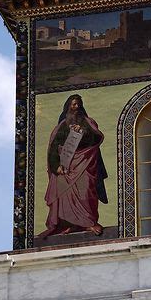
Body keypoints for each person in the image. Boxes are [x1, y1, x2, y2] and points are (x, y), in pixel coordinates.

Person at [39, 94, 108, 237]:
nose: (75, 107)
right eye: (73, 104)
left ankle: (88, 223)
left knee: (86, 191)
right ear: (68, 107)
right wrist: (56, 166)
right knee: (63, 192)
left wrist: (83, 132)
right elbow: (53, 149)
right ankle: (68, 225)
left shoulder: (88, 123)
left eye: (78, 104)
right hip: (65, 168)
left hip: (85, 164)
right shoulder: (62, 127)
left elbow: (96, 138)